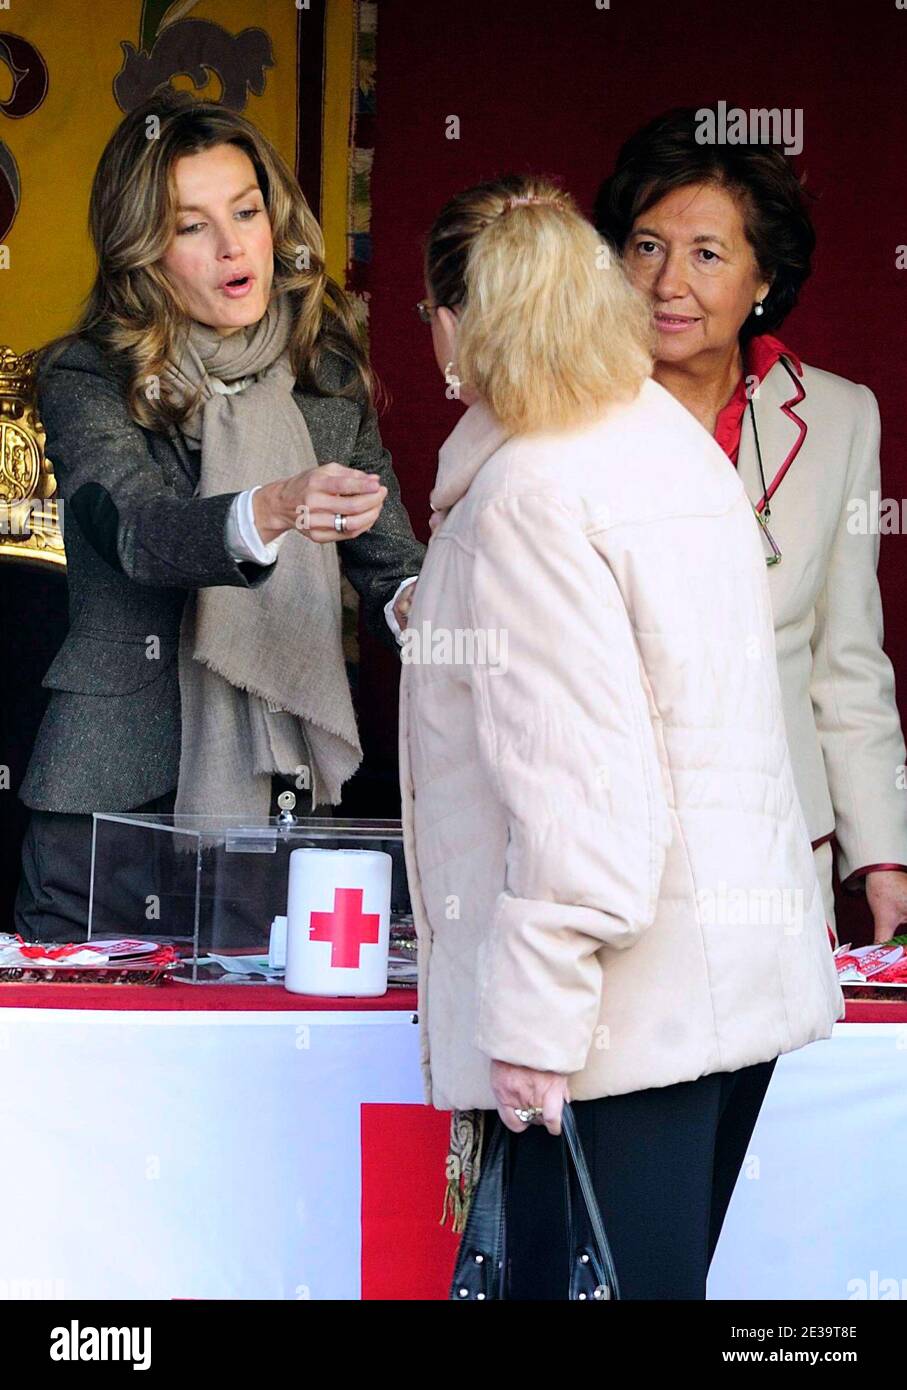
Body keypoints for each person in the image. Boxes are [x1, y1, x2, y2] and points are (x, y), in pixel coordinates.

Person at [399, 174, 844, 1300]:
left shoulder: (526, 497)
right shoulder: (658, 444)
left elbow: (582, 796)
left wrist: (534, 1025)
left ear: (460, 326)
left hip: (615, 1021)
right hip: (715, 998)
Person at [15, 88, 424, 942]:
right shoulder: (88, 375)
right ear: (140, 250)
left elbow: (389, 568)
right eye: (191, 224)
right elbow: (134, 533)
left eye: (246, 211)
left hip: (279, 795)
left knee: (260, 1060)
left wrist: (427, 608)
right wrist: (265, 509)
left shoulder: (327, 380)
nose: (233, 246)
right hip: (111, 803)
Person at [594, 106, 907, 945]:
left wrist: (881, 853)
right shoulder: (562, 411)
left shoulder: (840, 418)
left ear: (762, 279)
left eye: (706, 255)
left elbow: (844, 661)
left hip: (772, 845)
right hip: (601, 845)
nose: (667, 285)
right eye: (646, 246)